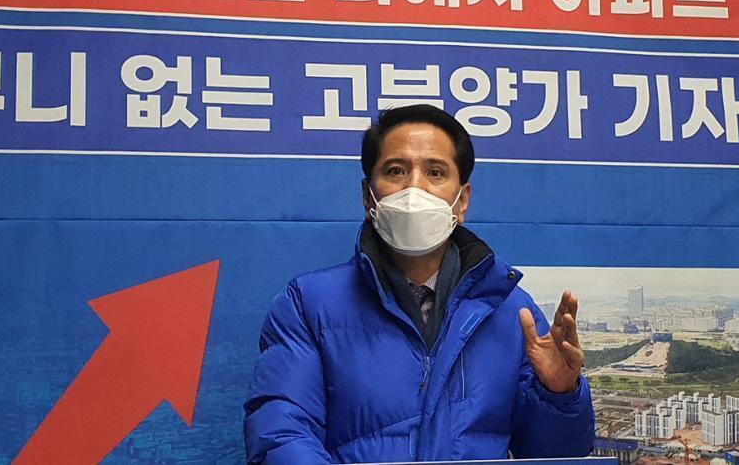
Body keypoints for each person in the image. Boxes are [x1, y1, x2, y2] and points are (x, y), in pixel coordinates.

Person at [244, 104, 594, 463]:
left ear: (462, 201)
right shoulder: (308, 304)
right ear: (368, 196)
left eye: (435, 172)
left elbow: (558, 454)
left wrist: (559, 394)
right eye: (396, 171)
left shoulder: (512, 312)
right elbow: (282, 435)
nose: (414, 188)